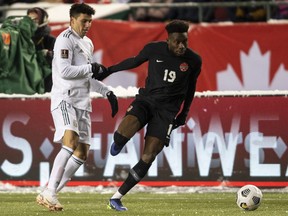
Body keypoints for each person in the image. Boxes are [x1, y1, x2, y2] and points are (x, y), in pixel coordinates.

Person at [92, 19, 202, 211]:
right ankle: (118, 142)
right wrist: (109, 71)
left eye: (185, 41)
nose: (182, 45)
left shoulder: (194, 60)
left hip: (167, 112)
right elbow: (134, 61)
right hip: (146, 101)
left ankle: (116, 198)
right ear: (168, 40)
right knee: (123, 132)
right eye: (177, 41)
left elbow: (191, 88)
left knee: (149, 155)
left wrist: (184, 113)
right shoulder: (154, 49)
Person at [36, 3, 118, 211]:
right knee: (70, 141)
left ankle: (49, 191)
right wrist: (91, 67)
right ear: (72, 20)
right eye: (84, 20)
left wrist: (106, 91)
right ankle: (50, 192)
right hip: (65, 99)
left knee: (81, 153)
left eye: (90, 20)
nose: (88, 24)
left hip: (83, 102)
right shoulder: (64, 40)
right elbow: (65, 71)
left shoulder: (87, 43)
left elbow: (86, 76)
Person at [27, 7, 56, 92]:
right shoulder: (22, 39)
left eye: (35, 19)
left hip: (46, 83)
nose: (32, 22)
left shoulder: (50, 40)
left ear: (43, 20)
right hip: (27, 82)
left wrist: (47, 55)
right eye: (29, 19)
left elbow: (61, 60)